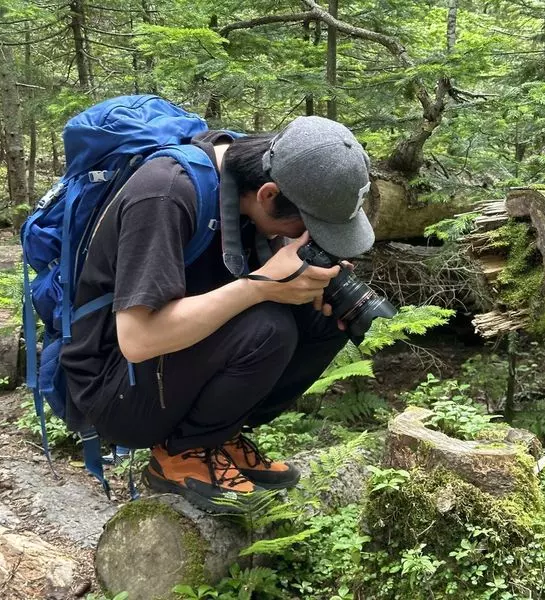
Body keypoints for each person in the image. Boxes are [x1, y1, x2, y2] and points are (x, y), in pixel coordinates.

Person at [60, 116, 375, 511]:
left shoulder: (253, 174)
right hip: (114, 387)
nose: (308, 239)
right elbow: (137, 340)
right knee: (268, 326)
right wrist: (259, 286)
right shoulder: (164, 193)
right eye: (308, 228)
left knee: (327, 316)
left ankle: (220, 436)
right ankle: (182, 453)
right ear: (268, 195)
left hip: (170, 367)